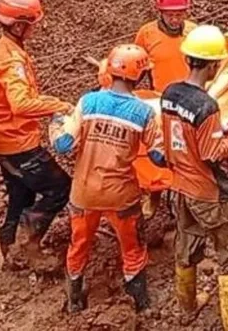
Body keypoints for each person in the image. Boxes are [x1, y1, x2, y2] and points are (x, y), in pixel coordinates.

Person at [161, 24, 228, 331]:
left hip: (180, 184)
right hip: (208, 190)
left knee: (188, 245)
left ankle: (187, 308)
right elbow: (213, 152)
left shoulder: (170, 94)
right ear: (211, 64)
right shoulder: (206, 107)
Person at [52, 45, 161, 313]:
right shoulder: (144, 113)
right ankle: (140, 302)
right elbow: (158, 156)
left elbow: (64, 144)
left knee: (78, 245)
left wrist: (55, 124)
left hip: (84, 192)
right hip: (121, 195)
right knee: (133, 247)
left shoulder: (87, 103)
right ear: (140, 76)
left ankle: (75, 300)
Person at [0, 0, 73, 269]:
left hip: (0, 137)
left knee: (20, 195)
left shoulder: (2, 50)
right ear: (19, 25)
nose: (35, 29)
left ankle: (9, 245)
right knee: (60, 188)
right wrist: (59, 106)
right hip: (17, 141)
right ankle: (27, 245)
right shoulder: (11, 61)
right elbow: (21, 103)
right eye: (32, 24)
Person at [134, 0, 196, 95]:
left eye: (179, 15)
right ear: (160, 12)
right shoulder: (147, 34)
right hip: (160, 97)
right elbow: (137, 71)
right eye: (169, 15)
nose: (175, 20)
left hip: (190, 99)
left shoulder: (194, 33)